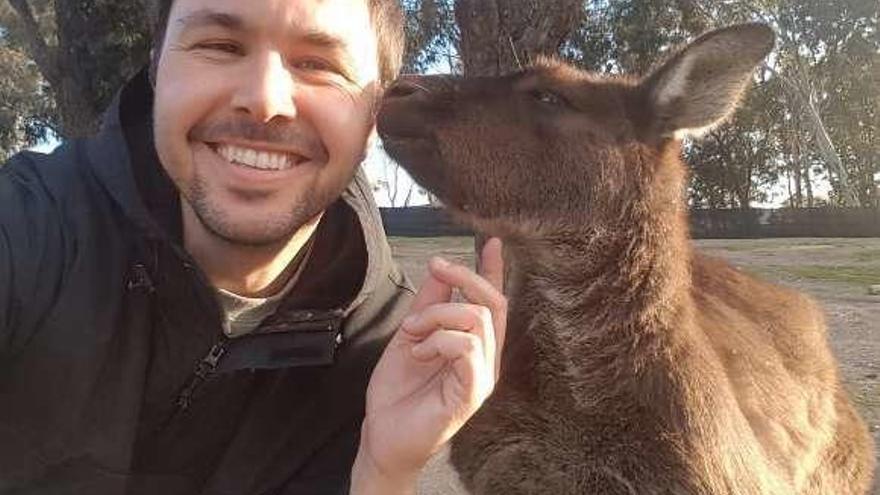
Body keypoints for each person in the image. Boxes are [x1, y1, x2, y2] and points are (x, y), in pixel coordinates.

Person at [0, 0, 507, 493]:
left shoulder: (385, 350)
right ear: (157, 68)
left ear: (375, 112)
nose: (265, 100)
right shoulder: (33, 225)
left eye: (317, 63)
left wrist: (382, 471)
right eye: (220, 45)